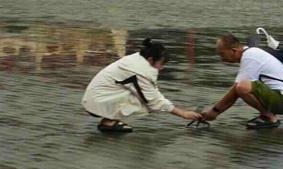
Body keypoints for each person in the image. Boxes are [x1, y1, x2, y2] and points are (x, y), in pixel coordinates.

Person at [80, 39, 208, 132]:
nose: (162, 68)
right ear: (151, 59)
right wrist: (184, 114)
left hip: (96, 97)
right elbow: (154, 100)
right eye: (161, 64)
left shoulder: (137, 59)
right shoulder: (140, 70)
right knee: (145, 100)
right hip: (97, 101)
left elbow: (152, 90)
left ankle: (108, 119)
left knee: (144, 96)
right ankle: (108, 122)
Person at [202, 34, 283, 131]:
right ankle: (267, 115)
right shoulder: (250, 53)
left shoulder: (250, 57)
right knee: (243, 85)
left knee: (242, 86)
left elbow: (236, 91)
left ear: (234, 51)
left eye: (222, 54)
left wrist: (215, 111)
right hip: (282, 96)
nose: (222, 59)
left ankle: (269, 117)